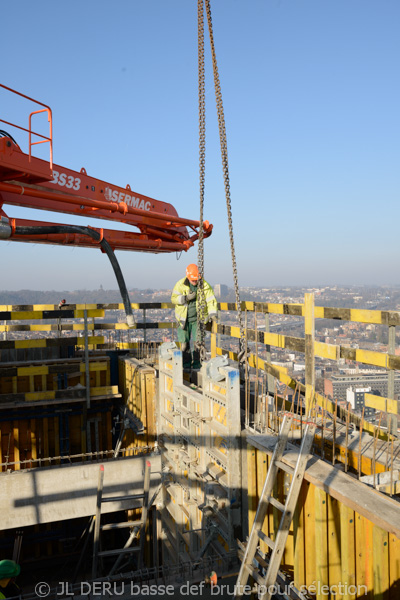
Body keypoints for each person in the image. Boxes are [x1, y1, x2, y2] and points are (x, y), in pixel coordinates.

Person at [171, 264, 217, 369]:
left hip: (198, 319)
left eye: (196, 280)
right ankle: (186, 365)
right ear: (188, 277)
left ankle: (197, 365)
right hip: (184, 319)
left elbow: (211, 300)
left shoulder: (204, 285)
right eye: (193, 280)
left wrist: (213, 313)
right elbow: (173, 298)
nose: (195, 282)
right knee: (184, 343)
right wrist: (184, 298)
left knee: (198, 343)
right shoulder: (180, 284)